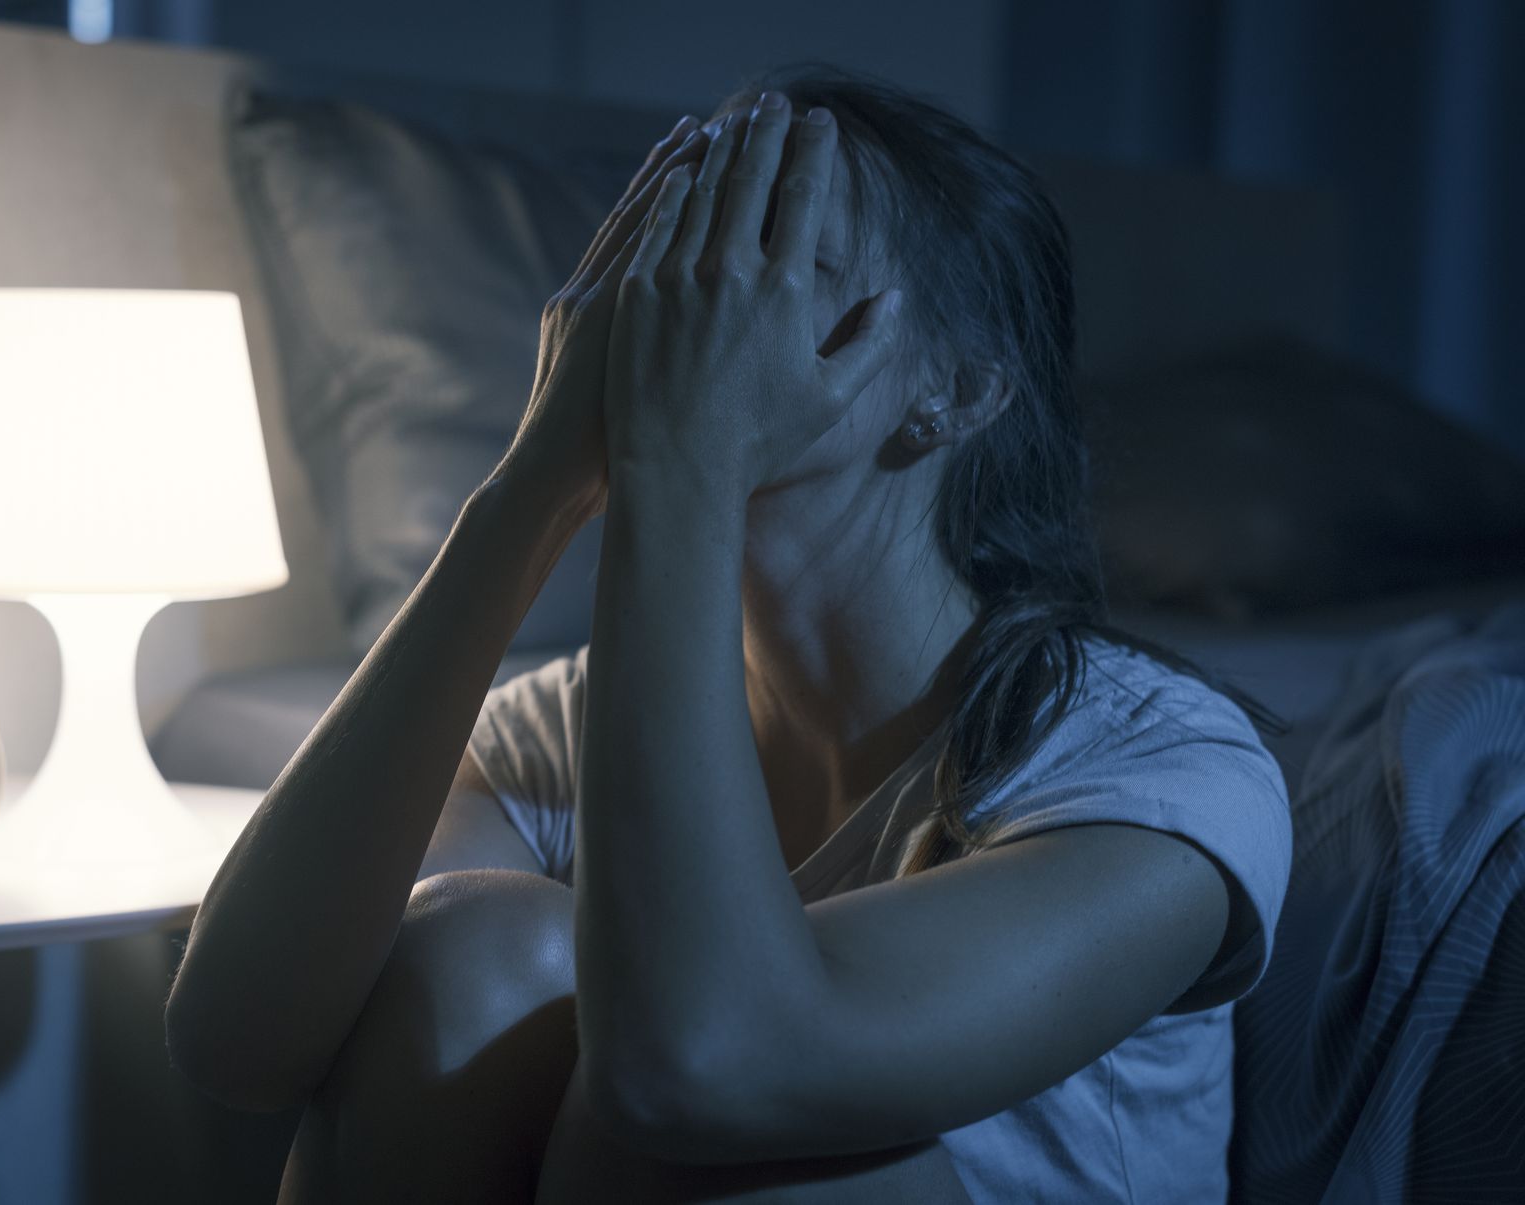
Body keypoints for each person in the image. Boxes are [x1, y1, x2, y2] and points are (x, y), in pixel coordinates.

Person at [165, 65, 1294, 1203]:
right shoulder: (567, 726)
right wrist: (529, 487)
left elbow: (700, 1070)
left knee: (701, 1120)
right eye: (675, 251)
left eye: (773, 255)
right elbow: (235, 1041)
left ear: (955, 388)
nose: (686, 305)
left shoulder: (1155, 768)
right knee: (468, 950)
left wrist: (683, 461)